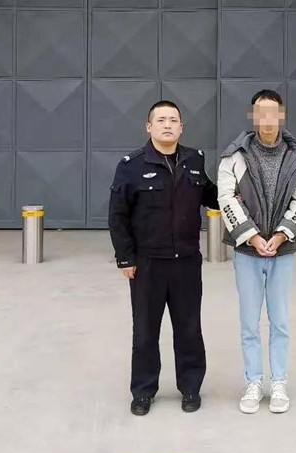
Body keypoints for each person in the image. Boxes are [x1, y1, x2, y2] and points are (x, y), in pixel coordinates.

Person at [108, 100, 218, 416]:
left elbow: (210, 195)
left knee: (189, 329)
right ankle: (143, 391)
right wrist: (125, 258)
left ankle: (191, 388)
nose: (167, 125)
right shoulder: (131, 166)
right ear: (149, 127)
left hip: (186, 262)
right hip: (147, 264)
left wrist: (236, 192)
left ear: (181, 127)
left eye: (173, 120)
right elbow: (118, 215)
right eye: (161, 120)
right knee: (145, 331)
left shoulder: (194, 160)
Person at [217, 90, 296, 414]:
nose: (267, 118)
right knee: (249, 321)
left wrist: (283, 233)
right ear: (253, 116)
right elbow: (226, 198)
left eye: (273, 112)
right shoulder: (234, 156)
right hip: (248, 252)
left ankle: (279, 383)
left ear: (281, 115)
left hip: (283, 250)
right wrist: (252, 236)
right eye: (261, 112)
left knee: (280, 320)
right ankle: (253, 382)